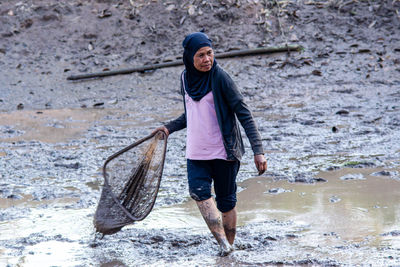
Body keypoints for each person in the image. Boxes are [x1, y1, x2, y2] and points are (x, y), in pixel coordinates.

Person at [154, 31, 267, 256]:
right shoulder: (185, 79)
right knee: (199, 193)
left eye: (210, 53)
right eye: (201, 55)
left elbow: (243, 113)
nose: (207, 59)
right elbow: (192, 114)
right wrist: (168, 128)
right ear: (189, 58)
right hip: (196, 153)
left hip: (224, 152)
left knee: (226, 202)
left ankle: (230, 246)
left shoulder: (220, 78)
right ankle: (223, 244)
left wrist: (258, 151)